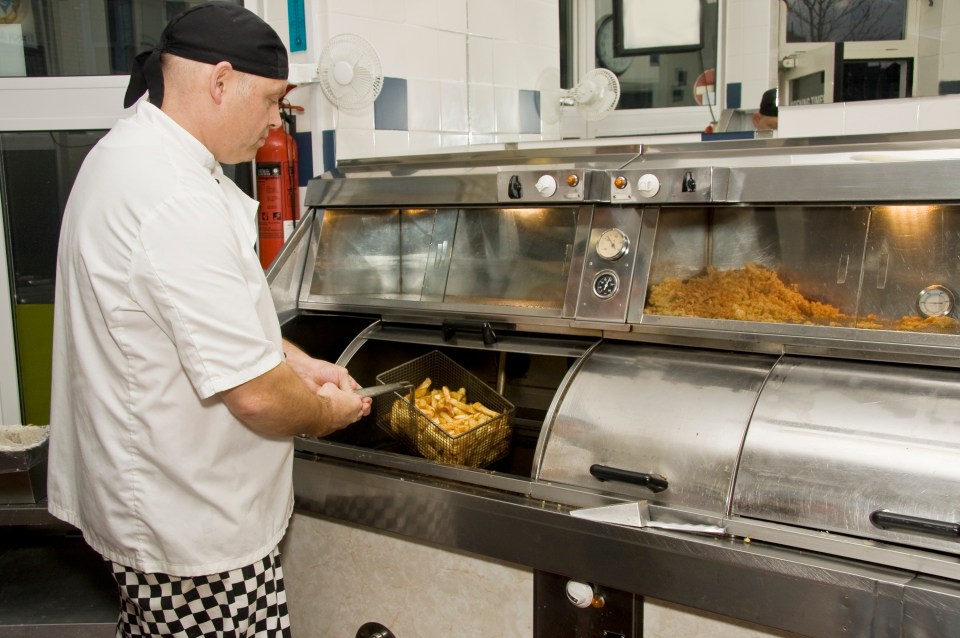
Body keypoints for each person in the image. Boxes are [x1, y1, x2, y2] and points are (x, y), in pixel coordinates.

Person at [46, 4, 371, 636]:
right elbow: (255, 399)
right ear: (220, 82)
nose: (277, 121)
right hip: (193, 533)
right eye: (274, 100)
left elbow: (206, 321)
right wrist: (329, 414)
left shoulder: (129, 154)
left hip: (160, 508)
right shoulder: (173, 198)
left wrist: (298, 362)